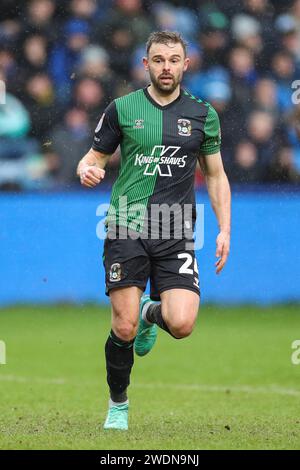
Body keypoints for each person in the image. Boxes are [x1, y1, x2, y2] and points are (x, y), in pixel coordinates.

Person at [76, 31, 231, 431]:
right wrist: (87, 170)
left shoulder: (202, 114)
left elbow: (215, 176)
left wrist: (224, 229)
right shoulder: (122, 108)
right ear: (146, 65)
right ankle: (118, 404)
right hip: (126, 222)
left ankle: (150, 313)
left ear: (186, 64)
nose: (166, 67)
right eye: (158, 59)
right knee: (122, 326)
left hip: (176, 229)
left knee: (181, 324)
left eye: (174, 59)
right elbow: (92, 157)